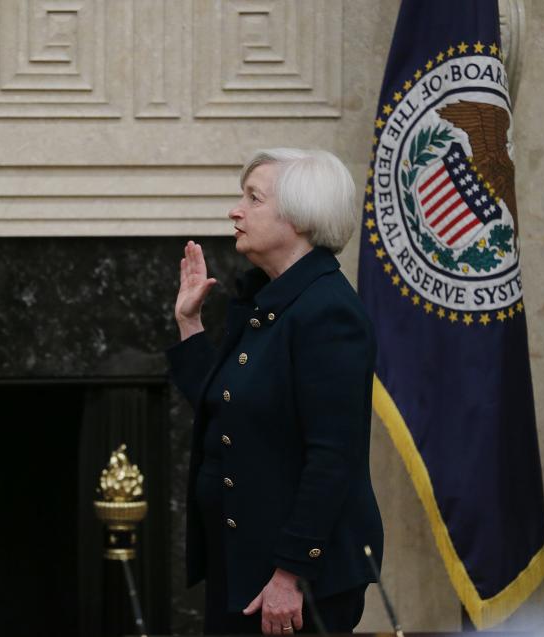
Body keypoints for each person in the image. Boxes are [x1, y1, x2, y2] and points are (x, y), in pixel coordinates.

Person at [168, 148, 384, 635]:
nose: (235, 210)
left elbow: (333, 458)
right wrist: (189, 323)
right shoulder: (272, 301)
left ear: (300, 217)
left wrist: (290, 574)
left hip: (292, 578)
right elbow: (227, 410)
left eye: (253, 198)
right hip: (243, 561)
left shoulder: (328, 312)